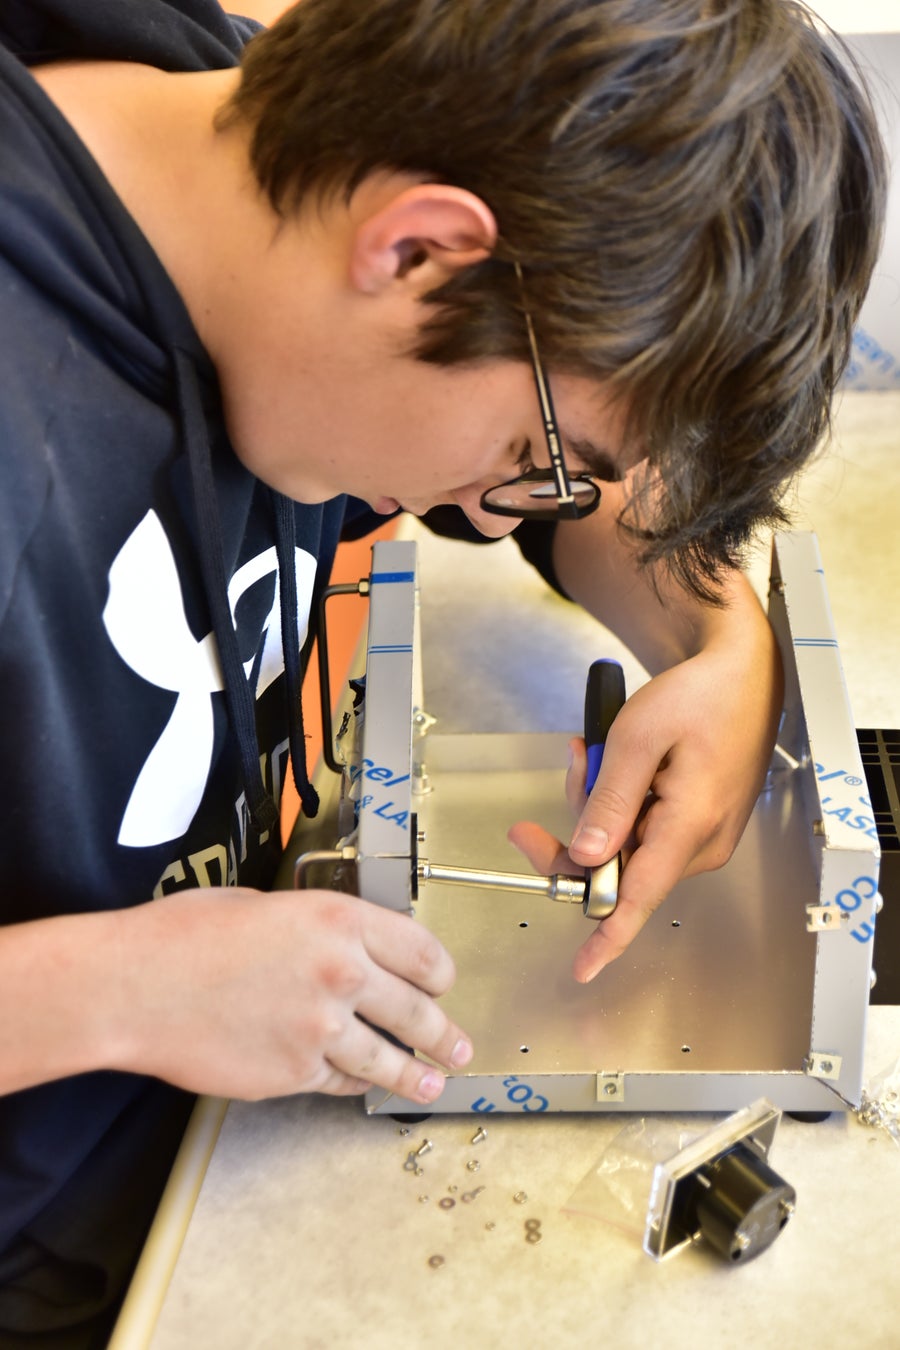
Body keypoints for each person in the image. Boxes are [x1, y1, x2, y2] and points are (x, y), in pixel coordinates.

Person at [0, 0, 885, 1342]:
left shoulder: (279, 164)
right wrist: (116, 991)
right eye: (534, 458)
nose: (489, 509)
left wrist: (719, 640)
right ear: (415, 250)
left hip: (222, 1137)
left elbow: (580, 478)